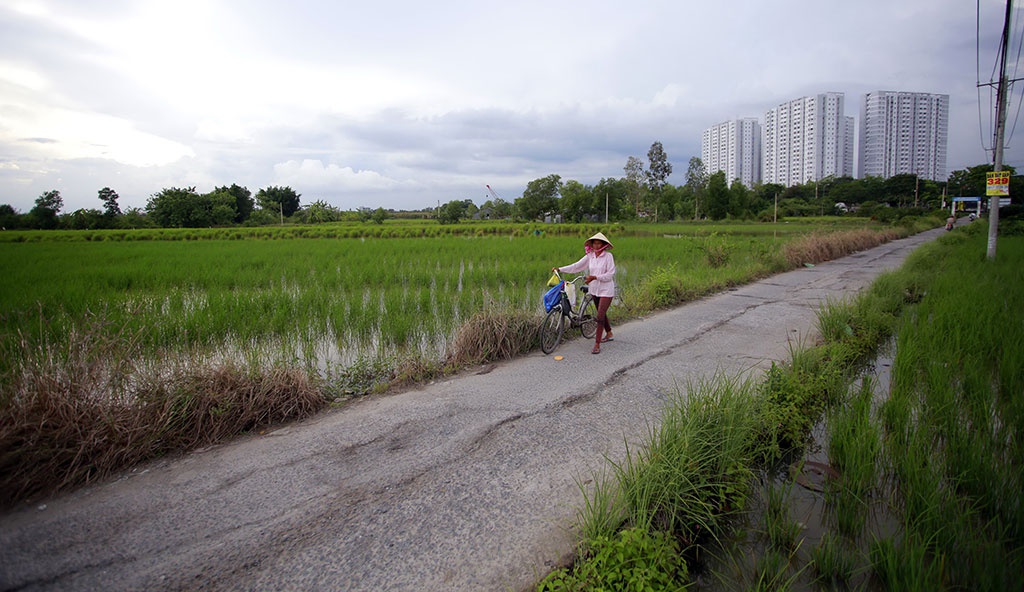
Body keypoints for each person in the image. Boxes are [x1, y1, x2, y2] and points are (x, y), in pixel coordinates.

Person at [553, 232, 616, 354]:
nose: (596, 246)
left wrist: (595, 277)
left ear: (603, 244)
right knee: (600, 313)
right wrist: (560, 269)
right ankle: (609, 333)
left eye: (599, 243)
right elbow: (577, 266)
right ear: (591, 244)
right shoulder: (590, 256)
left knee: (600, 316)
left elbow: (610, 274)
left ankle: (597, 344)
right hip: (594, 289)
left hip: (606, 290)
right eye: (594, 243)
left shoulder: (608, 257)